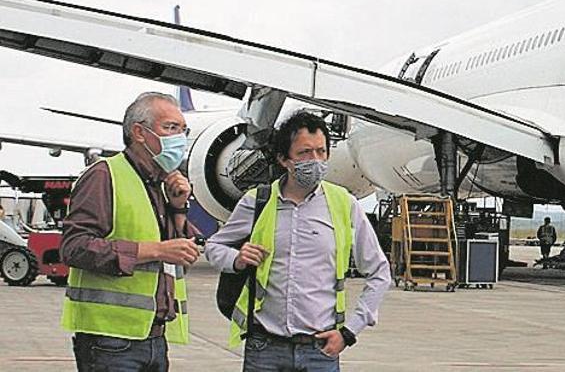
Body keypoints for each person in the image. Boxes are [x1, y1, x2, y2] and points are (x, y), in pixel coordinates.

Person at [206, 110, 391, 372]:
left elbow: (379, 273)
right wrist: (236, 259)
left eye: (321, 151)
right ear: (284, 159)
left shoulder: (344, 204)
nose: (315, 161)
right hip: (265, 348)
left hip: (320, 349)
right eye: (305, 153)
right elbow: (214, 247)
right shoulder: (258, 201)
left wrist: (349, 332)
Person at [60, 92, 200, 372]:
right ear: (139, 132)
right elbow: (75, 247)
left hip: (154, 337)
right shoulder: (104, 175)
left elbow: (184, 250)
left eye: (183, 131)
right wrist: (155, 250)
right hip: (111, 340)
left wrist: (178, 208)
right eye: (170, 128)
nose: (179, 139)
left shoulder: (159, 184)